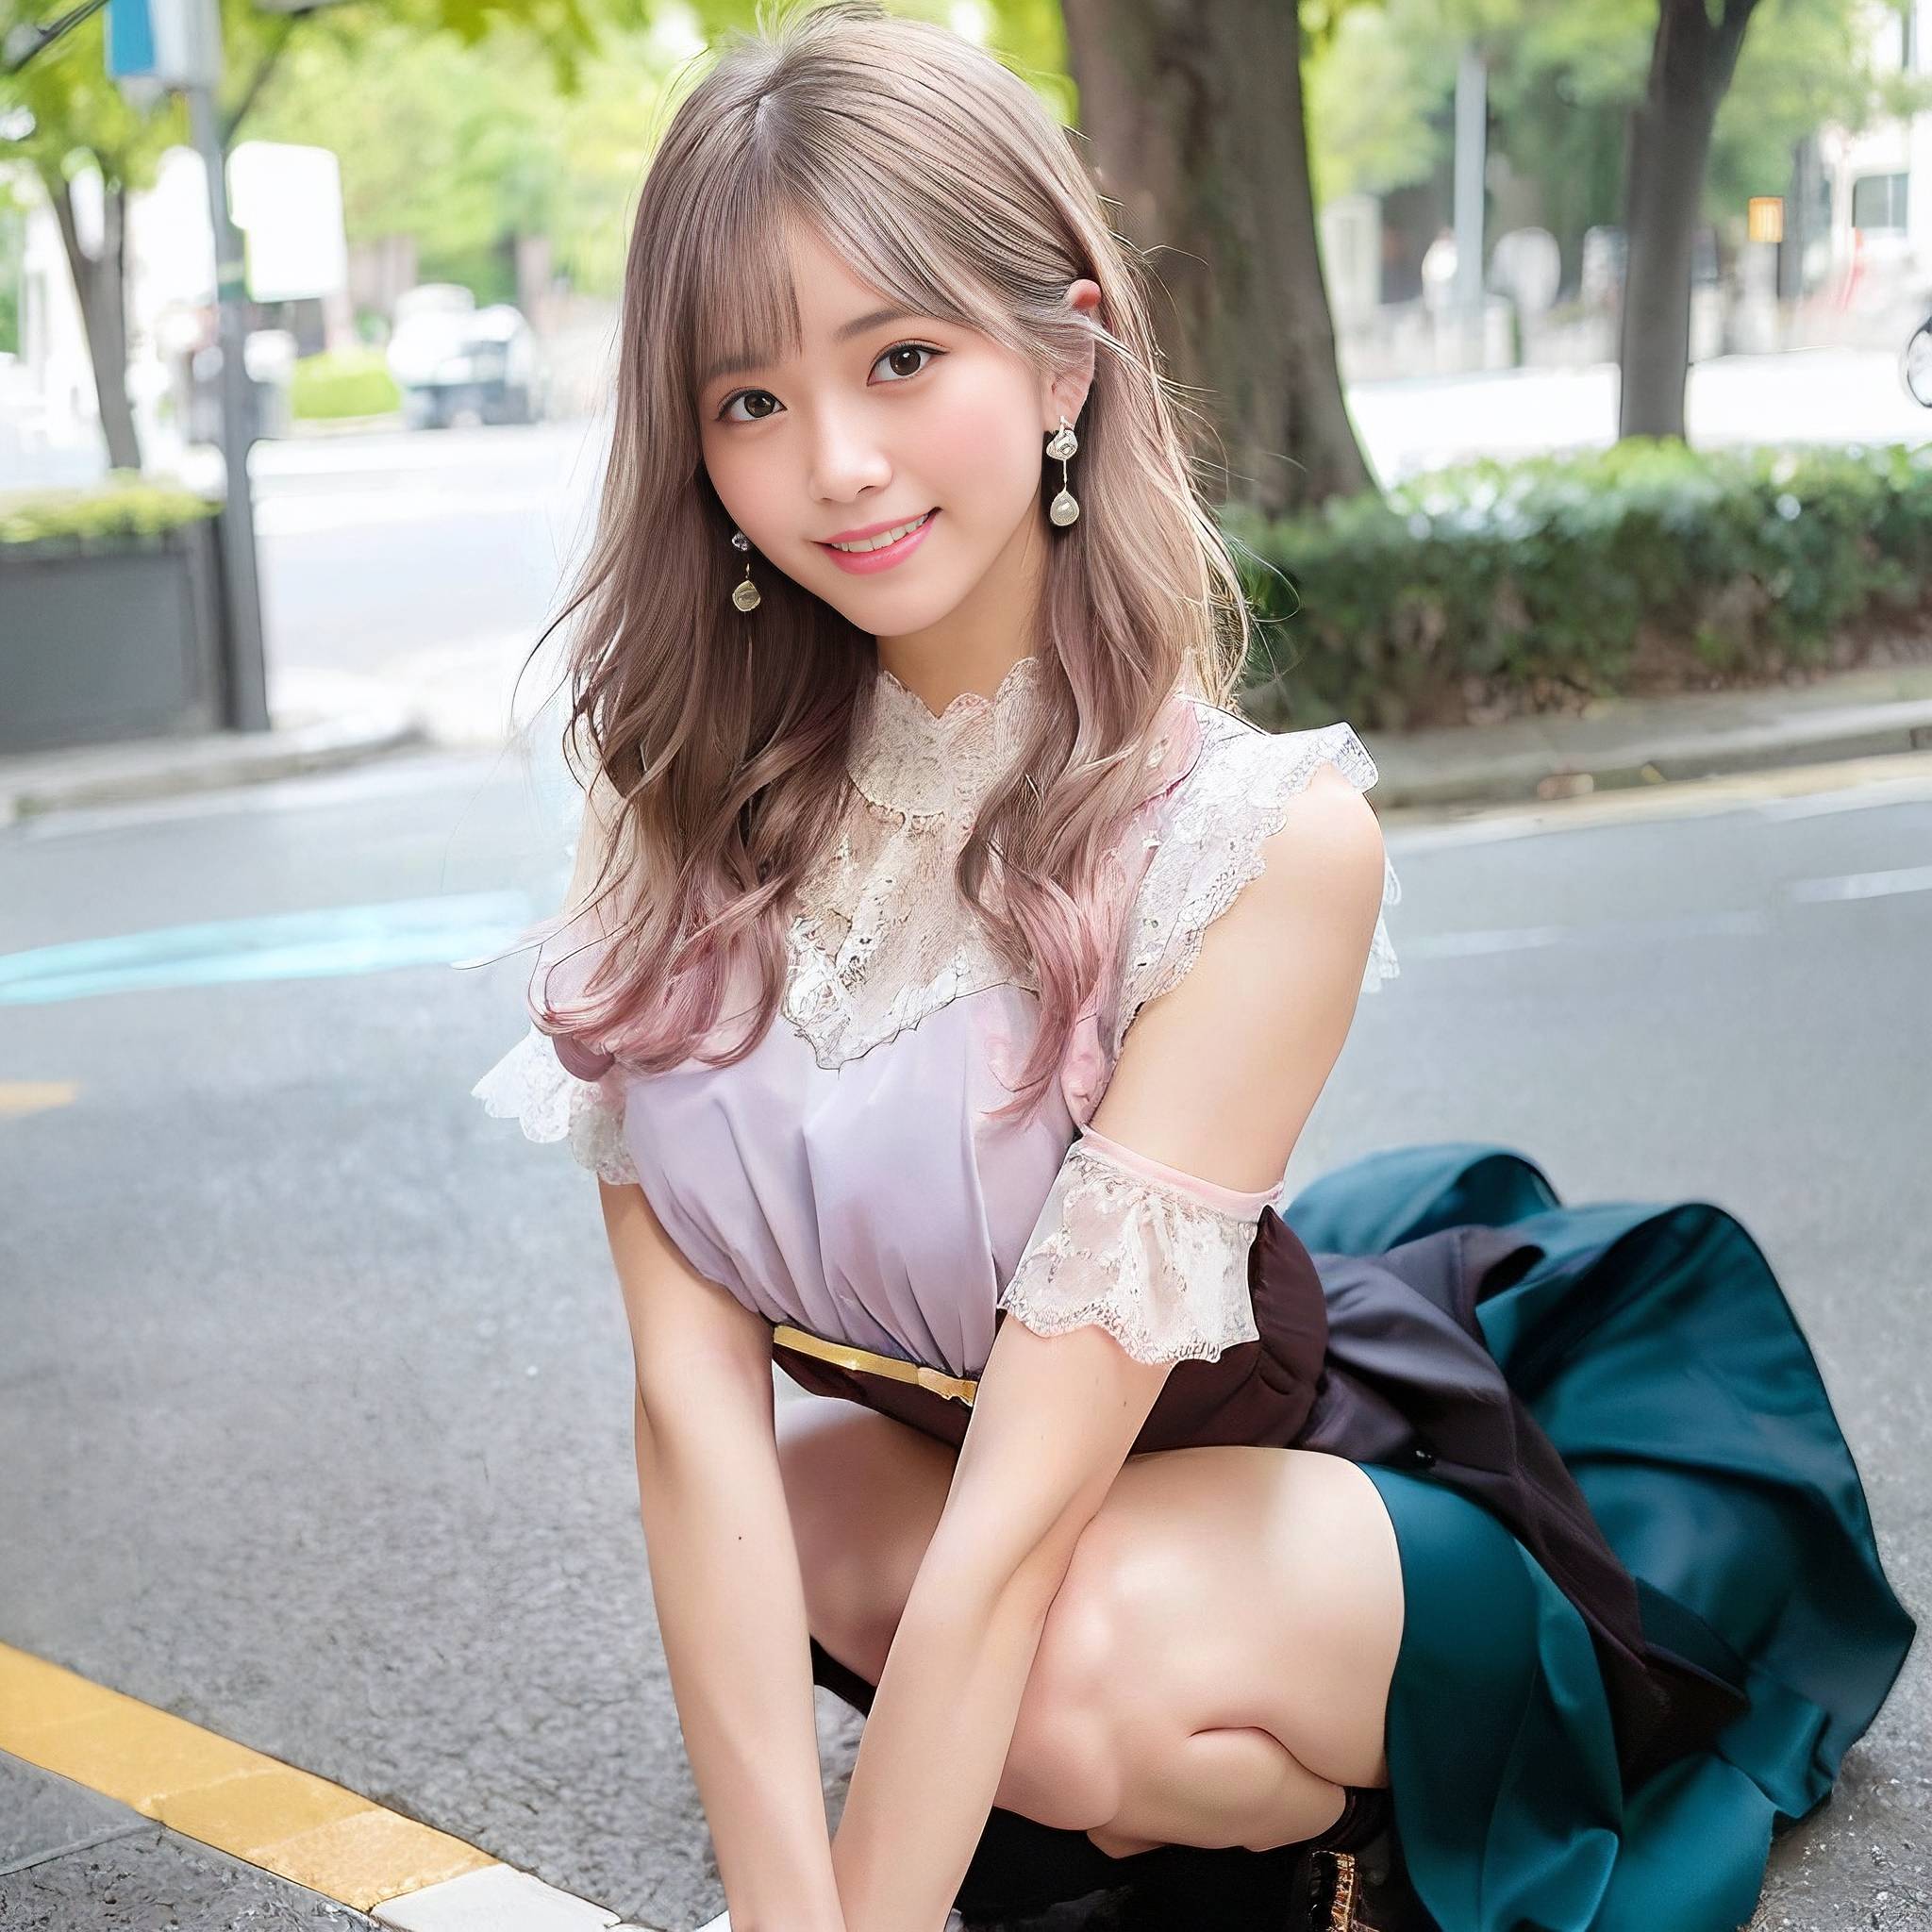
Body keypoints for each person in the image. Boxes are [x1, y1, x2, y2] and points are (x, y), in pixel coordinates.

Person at [465, 6, 1916, 1929]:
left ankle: (1354, 1820)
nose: (834, 461)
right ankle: (1130, 1793)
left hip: (1296, 1500)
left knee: (1059, 1682)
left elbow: (1014, 1527)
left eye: (903, 358)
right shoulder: (673, 810)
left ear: (1062, 356)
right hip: (1010, 1512)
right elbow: (689, 1416)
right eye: (747, 401)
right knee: (802, 1511)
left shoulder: (1252, 837)